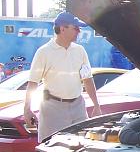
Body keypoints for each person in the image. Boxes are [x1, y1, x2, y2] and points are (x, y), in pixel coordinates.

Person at [23, 12, 102, 141]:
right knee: (51, 148)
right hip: (53, 108)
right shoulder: (44, 52)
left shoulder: (80, 51)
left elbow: (87, 79)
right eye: (75, 28)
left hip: (78, 107)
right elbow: (33, 83)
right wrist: (27, 109)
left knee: (81, 147)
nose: (79, 32)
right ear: (62, 28)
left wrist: (96, 105)